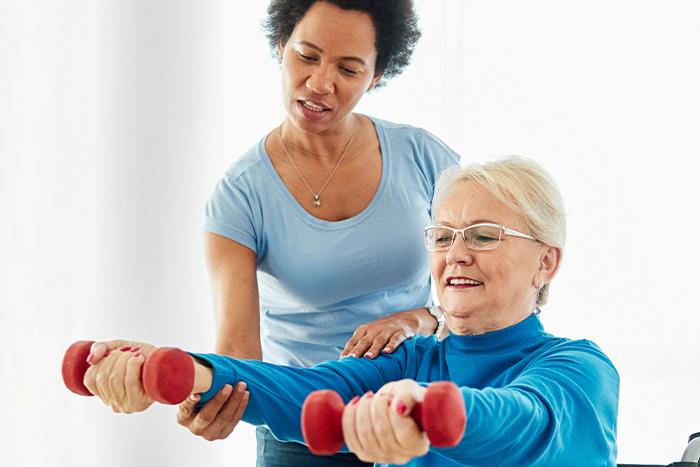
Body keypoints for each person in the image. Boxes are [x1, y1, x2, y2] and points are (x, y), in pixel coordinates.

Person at [89, 1, 459, 465]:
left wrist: (421, 318)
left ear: (377, 74)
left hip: (418, 412)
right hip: (304, 428)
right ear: (281, 47)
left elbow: (489, 284)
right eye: (307, 56)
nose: (321, 82)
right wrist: (199, 390)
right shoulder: (241, 195)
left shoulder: (425, 157)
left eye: (348, 68)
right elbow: (240, 353)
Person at [85, 156, 620, 466]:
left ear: (545, 263)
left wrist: (426, 412)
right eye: (443, 235)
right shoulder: (410, 361)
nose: (456, 252)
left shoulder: (580, 369)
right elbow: (303, 391)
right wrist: (178, 369)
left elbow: (523, 421)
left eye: (484, 235)